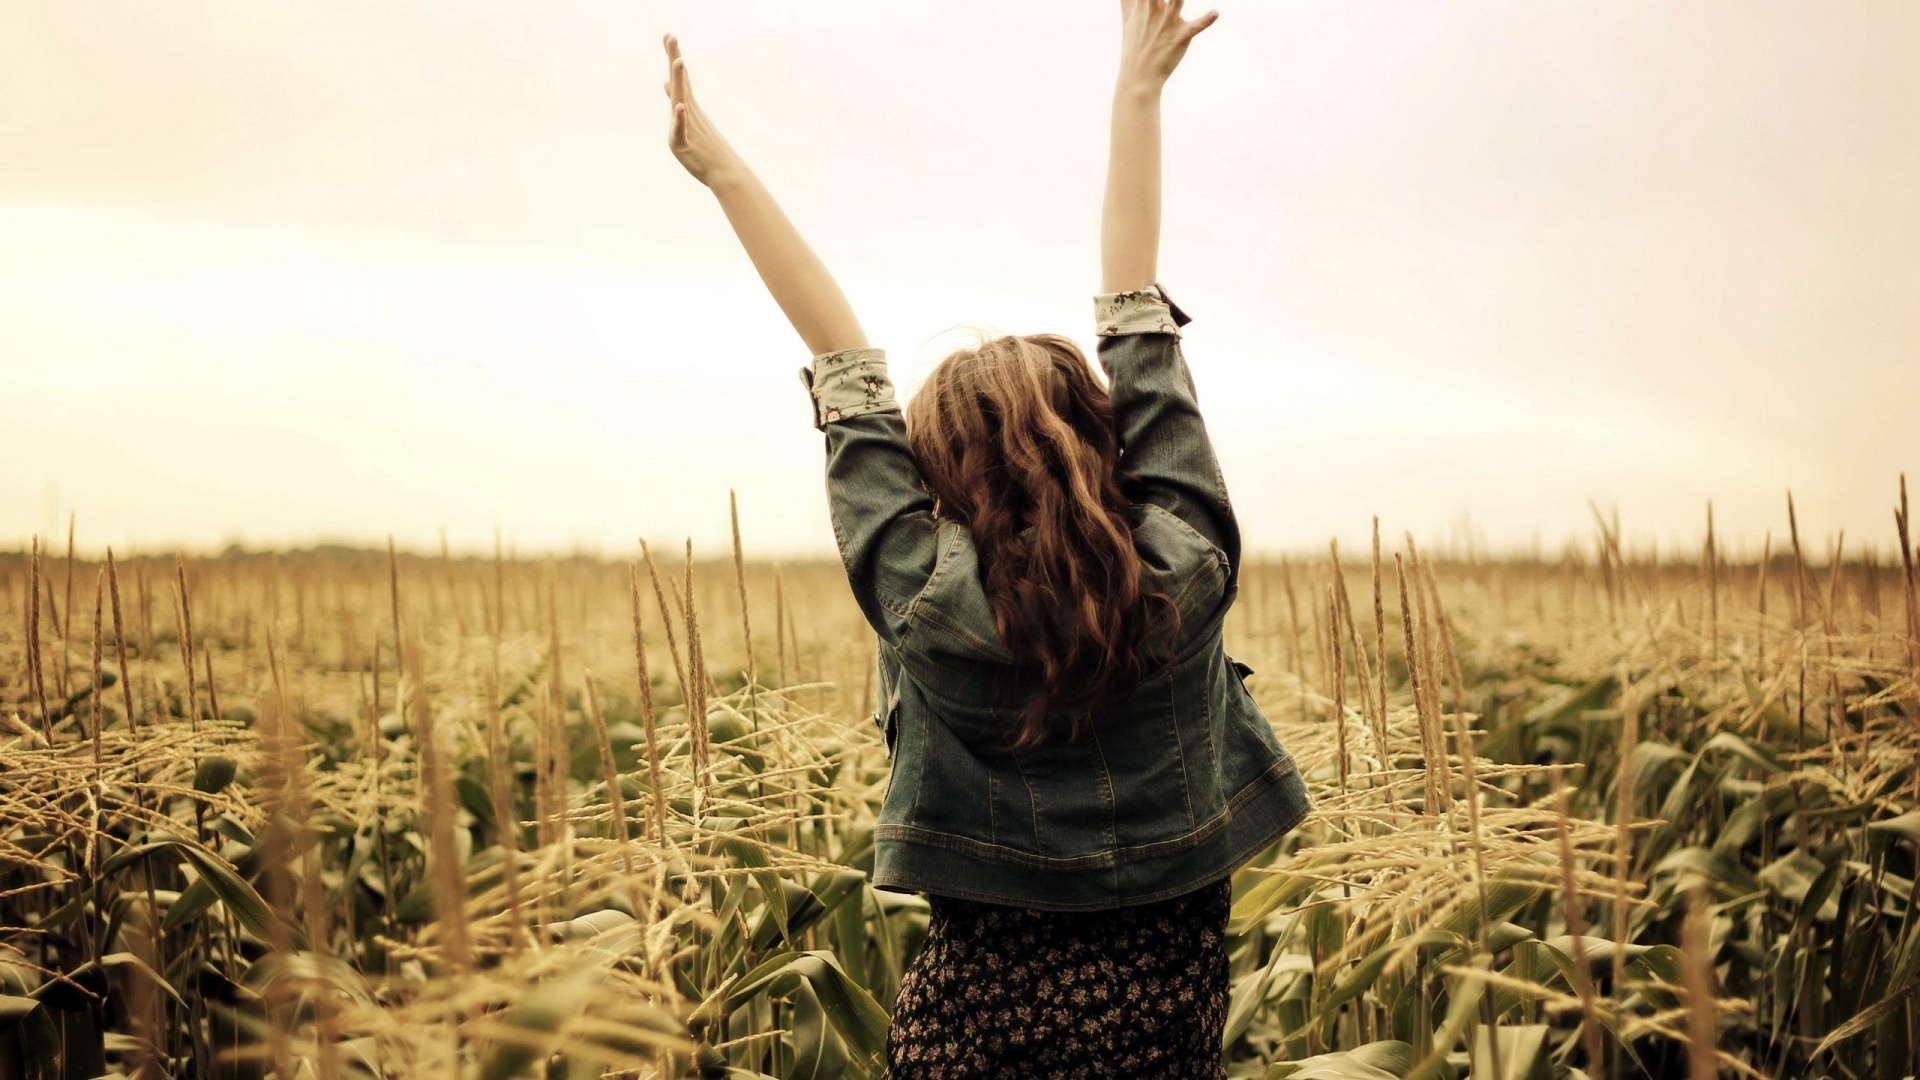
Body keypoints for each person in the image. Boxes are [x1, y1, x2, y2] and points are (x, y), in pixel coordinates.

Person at [663, 2, 1310, 1075]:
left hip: (969, 1036)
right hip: (1166, 1036)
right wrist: (1138, 90)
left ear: (941, 483)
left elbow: (845, 368)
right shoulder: (1188, 563)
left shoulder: (920, 598)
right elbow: (1135, 314)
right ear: (1109, 443)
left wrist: (722, 170)